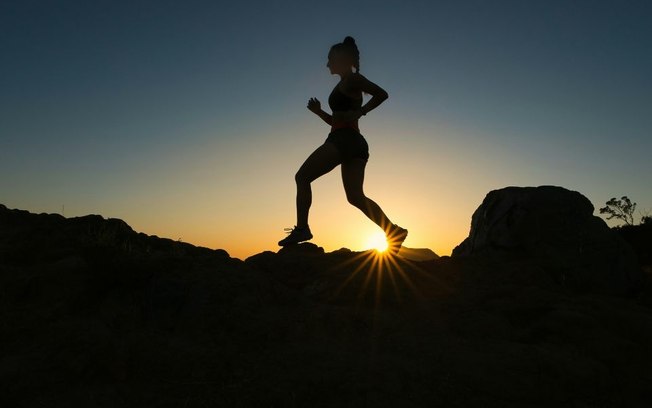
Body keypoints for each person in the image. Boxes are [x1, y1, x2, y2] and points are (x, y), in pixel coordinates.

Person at [278, 36, 408, 255]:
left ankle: (302, 229)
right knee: (355, 196)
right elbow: (337, 121)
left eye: (330, 59)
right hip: (354, 142)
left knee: (302, 177)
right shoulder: (345, 83)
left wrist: (361, 111)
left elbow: (382, 94)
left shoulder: (352, 80)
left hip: (344, 140)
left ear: (341, 59)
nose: (327, 64)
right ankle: (393, 231)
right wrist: (319, 112)